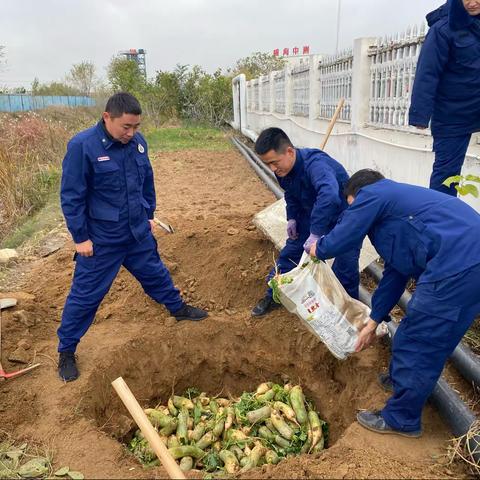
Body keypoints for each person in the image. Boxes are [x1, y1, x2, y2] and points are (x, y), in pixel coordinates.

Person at [310, 169, 480, 437]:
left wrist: (318, 248)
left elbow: (345, 234)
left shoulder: (375, 193)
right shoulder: (398, 209)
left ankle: (402, 418)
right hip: (467, 264)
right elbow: (396, 271)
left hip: (457, 265)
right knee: (434, 336)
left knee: (418, 337)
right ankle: (402, 382)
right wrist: (374, 319)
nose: (357, 213)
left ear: (359, 195)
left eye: (354, 206)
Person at [58, 92, 208, 382]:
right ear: (107, 118)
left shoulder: (138, 144)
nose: (131, 133)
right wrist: (80, 238)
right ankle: (66, 351)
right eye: (126, 127)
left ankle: (177, 309)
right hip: (102, 240)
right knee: (86, 296)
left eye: (136, 126)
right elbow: (72, 196)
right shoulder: (82, 146)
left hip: (137, 232)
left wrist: (149, 214)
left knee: (156, 274)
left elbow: (146, 182)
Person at [251, 127, 360, 317]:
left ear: (290, 152)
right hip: (313, 211)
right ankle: (274, 296)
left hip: (344, 215)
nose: (273, 169)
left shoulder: (316, 165)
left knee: (345, 266)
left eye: (274, 163)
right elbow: (291, 194)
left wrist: (316, 233)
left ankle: (348, 315)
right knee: (291, 252)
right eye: (268, 164)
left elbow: (329, 197)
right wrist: (292, 217)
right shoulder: (282, 169)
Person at [408, 0, 480, 196]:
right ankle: (440, 221)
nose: (473, 3)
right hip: (452, 115)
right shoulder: (443, 29)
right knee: (446, 177)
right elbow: (428, 73)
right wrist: (420, 115)